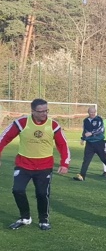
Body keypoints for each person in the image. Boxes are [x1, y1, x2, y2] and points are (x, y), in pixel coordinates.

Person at [0, 98, 71, 230]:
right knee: (17, 190)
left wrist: (64, 163)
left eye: (46, 110)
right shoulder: (21, 123)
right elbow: (3, 138)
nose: (44, 113)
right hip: (23, 164)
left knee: (42, 194)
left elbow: (63, 145)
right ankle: (25, 218)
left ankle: (43, 220)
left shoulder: (53, 125)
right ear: (32, 111)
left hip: (44, 166)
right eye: (41, 111)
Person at [73, 106, 106, 181]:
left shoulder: (99, 119)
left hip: (99, 142)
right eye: (91, 112)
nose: (92, 113)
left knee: (103, 158)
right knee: (86, 160)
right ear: (88, 112)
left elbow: (100, 130)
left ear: (95, 112)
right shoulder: (85, 120)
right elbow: (85, 131)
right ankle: (82, 176)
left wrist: (91, 133)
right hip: (89, 143)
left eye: (93, 112)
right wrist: (83, 138)